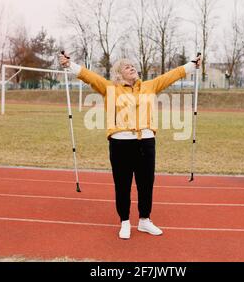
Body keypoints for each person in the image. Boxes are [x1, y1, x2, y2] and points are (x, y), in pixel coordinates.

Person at [59, 52, 201, 240]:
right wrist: (70, 65)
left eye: (133, 65)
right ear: (118, 74)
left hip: (146, 142)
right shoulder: (110, 88)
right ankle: (125, 222)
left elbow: (171, 76)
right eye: (127, 67)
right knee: (122, 185)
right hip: (120, 144)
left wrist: (192, 65)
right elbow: (89, 76)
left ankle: (144, 220)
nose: (132, 68)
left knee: (146, 184)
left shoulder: (150, 86)